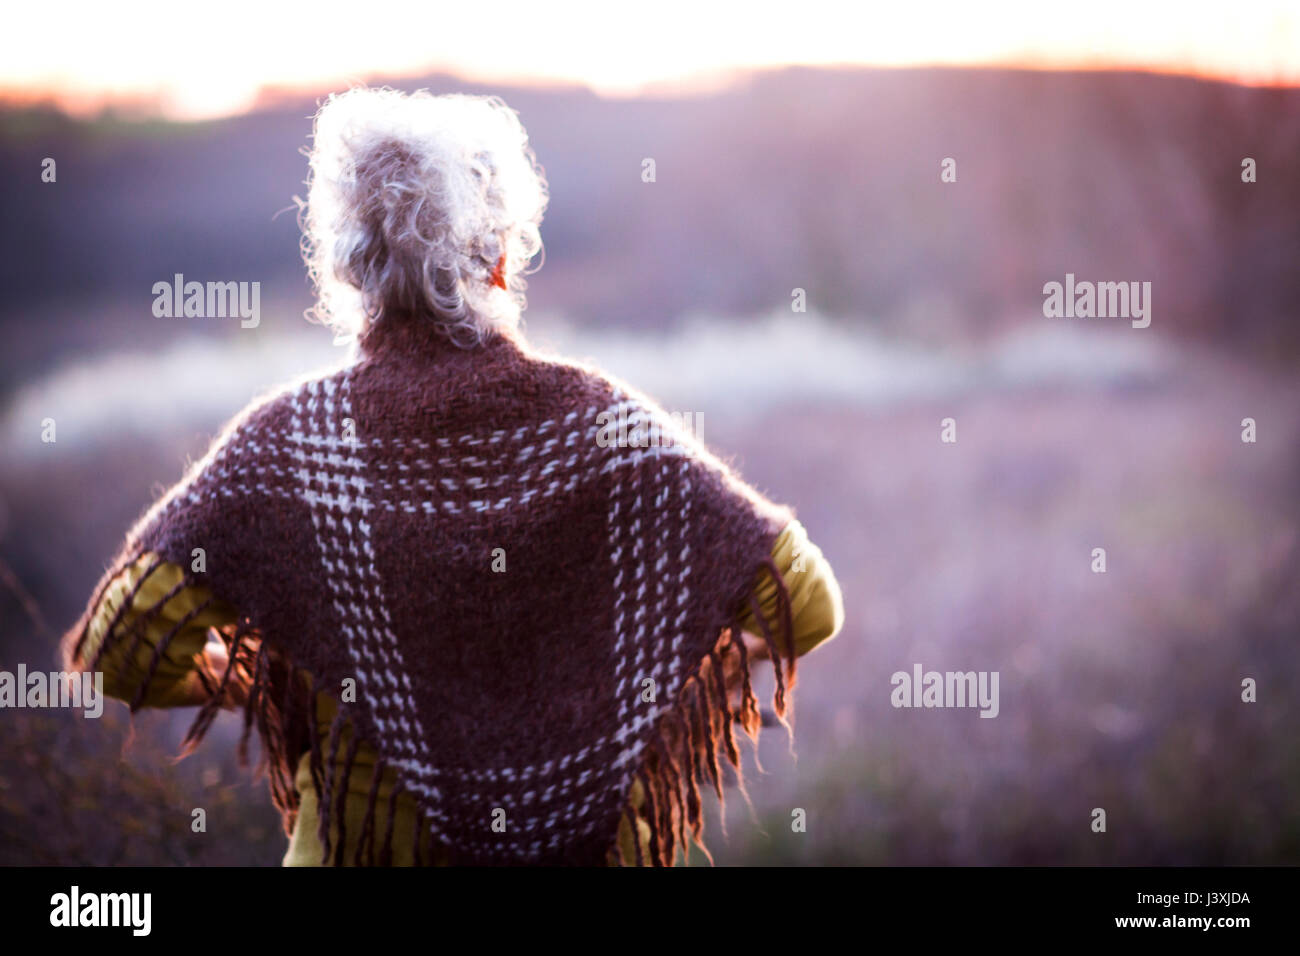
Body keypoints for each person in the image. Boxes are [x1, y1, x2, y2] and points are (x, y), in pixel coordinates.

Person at [61, 87, 844, 866]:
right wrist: (643, 683)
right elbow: (807, 604)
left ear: (351, 272)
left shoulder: (288, 448)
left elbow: (118, 649)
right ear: (500, 259)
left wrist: (289, 673)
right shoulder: (609, 428)